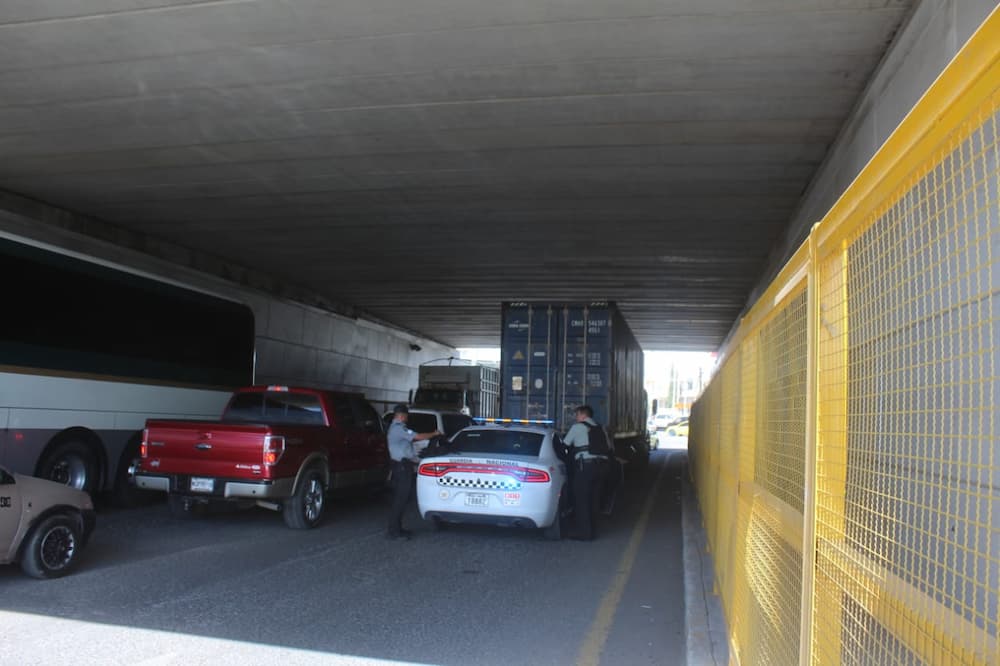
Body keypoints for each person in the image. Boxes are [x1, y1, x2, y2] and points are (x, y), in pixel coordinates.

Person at [386, 404, 441, 540]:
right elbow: (418, 437)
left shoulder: (399, 429)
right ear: (401, 415)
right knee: (400, 499)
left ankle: (398, 529)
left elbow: (406, 449)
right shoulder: (398, 429)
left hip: (404, 465)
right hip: (401, 467)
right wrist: (434, 433)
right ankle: (394, 532)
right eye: (406, 416)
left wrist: (417, 460)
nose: (407, 418)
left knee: (403, 498)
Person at [562, 404, 610, 540]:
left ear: (584, 415)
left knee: (581, 500)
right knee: (594, 499)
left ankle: (584, 534)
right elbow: (609, 448)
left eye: (577, 415)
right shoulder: (601, 428)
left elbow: (564, 445)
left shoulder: (577, 427)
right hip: (602, 468)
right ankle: (593, 531)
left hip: (585, 468)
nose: (576, 418)